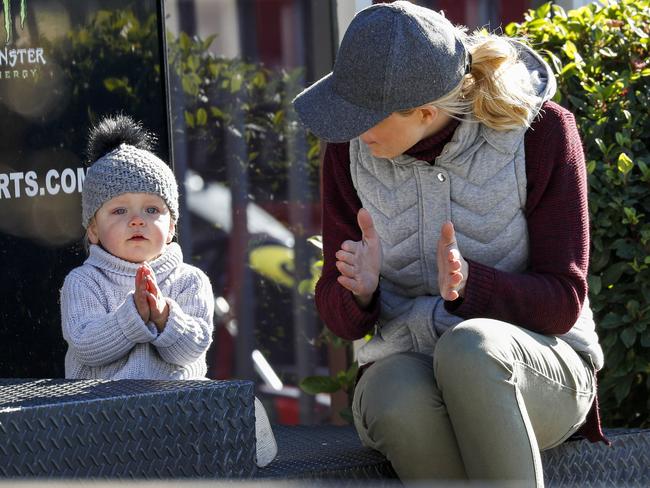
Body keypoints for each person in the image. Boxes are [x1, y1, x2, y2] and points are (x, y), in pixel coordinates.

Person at [293, 1, 606, 485]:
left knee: (470, 348)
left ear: (424, 111)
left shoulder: (543, 134)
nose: (350, 129)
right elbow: (341, 319)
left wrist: (471, 286)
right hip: (407, 363)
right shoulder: (346, 152)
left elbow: (563, 303)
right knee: (394, 396)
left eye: (364, 115)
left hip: (540, 370)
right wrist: (359, 291)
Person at [60, 114, 277, 467]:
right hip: (102, 407)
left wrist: (163, 316)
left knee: (237, 403)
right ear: (93, 230)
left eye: (152, 209)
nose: (137, 220)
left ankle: (245, 452)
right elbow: (87, 345)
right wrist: (133, 316)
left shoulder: (190, 280)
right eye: (118, 210)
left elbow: (193, 347)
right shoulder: (84, 282)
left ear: (172, 224)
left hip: (177, 405)